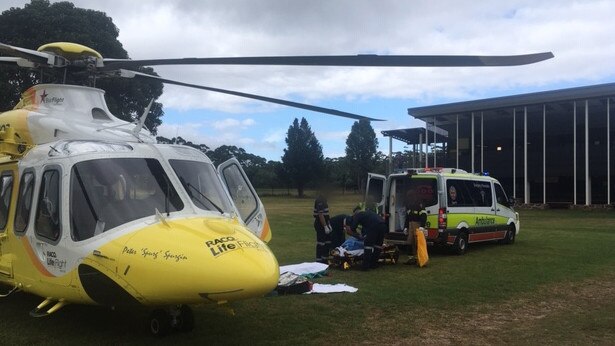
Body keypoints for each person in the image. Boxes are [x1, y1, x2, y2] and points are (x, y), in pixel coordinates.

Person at [403, 189, 427, 265]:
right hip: (410, 225)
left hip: (418, 224)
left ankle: (419, 259)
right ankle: (411, 259)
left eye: (410, 196)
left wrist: (422, 226)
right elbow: (407, 217)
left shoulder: (419, 204)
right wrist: (406, 227)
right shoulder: (409, 204)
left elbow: (424, 215)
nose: (409, 198)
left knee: (418, 243)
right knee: (409, 242)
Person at [313, 191, 332, 263]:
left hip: (325, 223)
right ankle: (319, 260)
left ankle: (325, 259)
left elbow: (326, 214)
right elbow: (320, 215)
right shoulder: (319, 200)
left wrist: (328, 224)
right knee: (321, 243)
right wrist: (325, 226)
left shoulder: (324, 200)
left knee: (327, 242)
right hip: (320, 224)